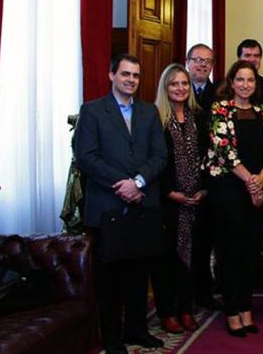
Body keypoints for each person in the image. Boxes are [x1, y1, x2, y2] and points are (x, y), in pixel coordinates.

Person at [76, 54, 167, 354]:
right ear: (111, 75)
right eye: (126, 74)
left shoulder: (150, 112)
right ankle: (113, 339)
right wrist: (123, 184)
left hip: (142, 205)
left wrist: (138, 182)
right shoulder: (91, 111)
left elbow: (159, 156)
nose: (131, 80)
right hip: (107, 207)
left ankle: (138, 331)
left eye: (136, 76)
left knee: (139, 276)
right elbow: (86, 158)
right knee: (109, 279)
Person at [203, 60, 263, 337]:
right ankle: (232, 310)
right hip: (228, 190)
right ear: (231, 82)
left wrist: (261, 180)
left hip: (257, 188)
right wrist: (250, 182)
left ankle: (246, 308)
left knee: (249, 252)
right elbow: (224, 151)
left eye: (251, 80)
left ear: (256, 85)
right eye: (240, 80)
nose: (245, 85)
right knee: (230, 252)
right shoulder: (220, 109)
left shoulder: (262, 111)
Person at [152, 64, 205, 334]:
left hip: (196, 202)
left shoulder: (199, 116)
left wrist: (203, 190)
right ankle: (168, 311)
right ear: (165, 87)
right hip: (168, 203)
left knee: (191, 258)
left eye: (184, 83)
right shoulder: (155, 118)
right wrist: (171, 194)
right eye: (174, 84)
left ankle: (186, 307)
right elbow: (151, 162)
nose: (180, 88)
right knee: (166, 260)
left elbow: (209, 157)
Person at [185, 43, 220, 309]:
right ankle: (185, 293)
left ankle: (205, 290)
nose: (202, 65)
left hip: (211, 178)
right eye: (197, 60)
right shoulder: (177, 89)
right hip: (180, 179)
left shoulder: (218, 93)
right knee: (183, 241)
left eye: (207, 61)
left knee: (208, 238)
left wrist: (207, 184)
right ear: (188, 62)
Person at [237, 38, 263, 113]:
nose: (252, 59)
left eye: (256, 56)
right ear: (239, 59)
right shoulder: (223, 87)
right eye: (247, 55)